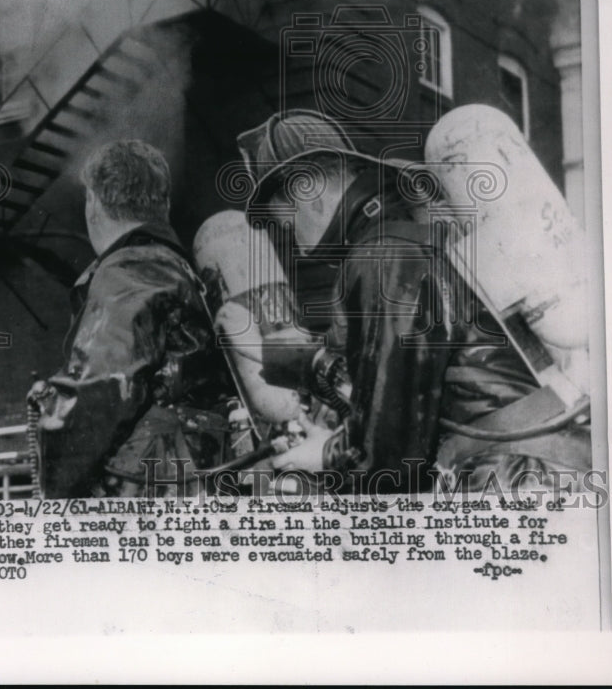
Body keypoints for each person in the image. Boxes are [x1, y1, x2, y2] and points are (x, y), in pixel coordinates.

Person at [229, 109, 590, 493]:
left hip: (512, 478)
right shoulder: (408, 231)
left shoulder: (383, 256)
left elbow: (391, 452)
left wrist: (327, 455)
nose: (287, 236)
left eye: (283, 220)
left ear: (307, 187)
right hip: (542, 465)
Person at [29, 140, 231, 497]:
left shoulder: (131, 267)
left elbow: (99, 394)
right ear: (163, 206)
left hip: (148, 501)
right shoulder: (177, 266)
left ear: (92, 202)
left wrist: (53, 482)